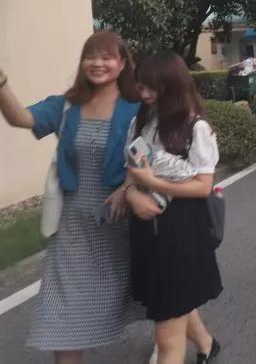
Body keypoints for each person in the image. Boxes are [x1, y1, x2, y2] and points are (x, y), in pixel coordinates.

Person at [0, 32, 143, 364]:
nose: (97, 63)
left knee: (156, 294)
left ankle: (197, 338)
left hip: (123, 221)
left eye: (107, 57)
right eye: (91, 56)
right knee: (62, 309)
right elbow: (21, 118)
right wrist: (2, 83)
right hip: (74, 224)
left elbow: (156, 154)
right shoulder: (66, 105)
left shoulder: (138, 108)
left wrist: (127, 187)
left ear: (122, 64)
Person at [125, 51, 222, 364]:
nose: (145, 94)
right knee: (173, 301)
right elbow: (132, 168)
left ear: (173, 85)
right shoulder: (141, 121)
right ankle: (206, 343)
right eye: (141, 87)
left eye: (153, 87)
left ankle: (202, 345)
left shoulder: (195, 128)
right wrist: (131, 192)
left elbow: (203, 186)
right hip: (147, 230)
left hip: (182, 233)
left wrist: (152, 183)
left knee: (166, 334)